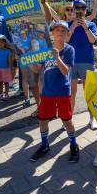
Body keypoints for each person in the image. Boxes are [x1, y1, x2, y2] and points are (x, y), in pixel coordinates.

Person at [30, 20, 79, 163]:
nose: (60, 32)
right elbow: (37, 69)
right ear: (52, 33)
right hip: (47, 91)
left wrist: (57, 57)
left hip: (63, 91)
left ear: (67, 33)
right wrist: (30, 61)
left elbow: (66, 71)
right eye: (57, 30)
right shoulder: (45, 50)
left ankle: (74, 145)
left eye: (63, 30)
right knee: (43, 120)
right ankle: (45, 145)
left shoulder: (69, 50)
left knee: (67, 121)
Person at [67, 0, 97, 130]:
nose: (80, 11)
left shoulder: (91, 24)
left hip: (87, 61)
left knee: (89, 92)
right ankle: (69, 120)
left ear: (86, 11)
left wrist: (85, 27)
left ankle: (92, 119)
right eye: (77, 8)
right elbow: (65, 41)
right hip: (72, 62)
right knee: (71, 93)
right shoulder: (68, 24)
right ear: (73, 10)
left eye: (82, 8)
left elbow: (92, 40)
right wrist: (73, 27)